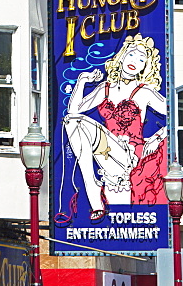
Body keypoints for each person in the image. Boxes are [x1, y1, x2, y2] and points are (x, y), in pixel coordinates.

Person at [61, 33, 167, 221]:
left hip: (130, 154)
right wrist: (82, 81)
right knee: (72, 121)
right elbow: (73, 110)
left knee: (77, 122)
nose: (135, 61)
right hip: (104, 151)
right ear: (122, 56)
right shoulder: (105, 88)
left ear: (146, 67)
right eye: (132, 55)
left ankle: (93, 186)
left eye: (142, 59)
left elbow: (176, 114)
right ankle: (91, 184)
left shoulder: (144, 92)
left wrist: (157, 138)